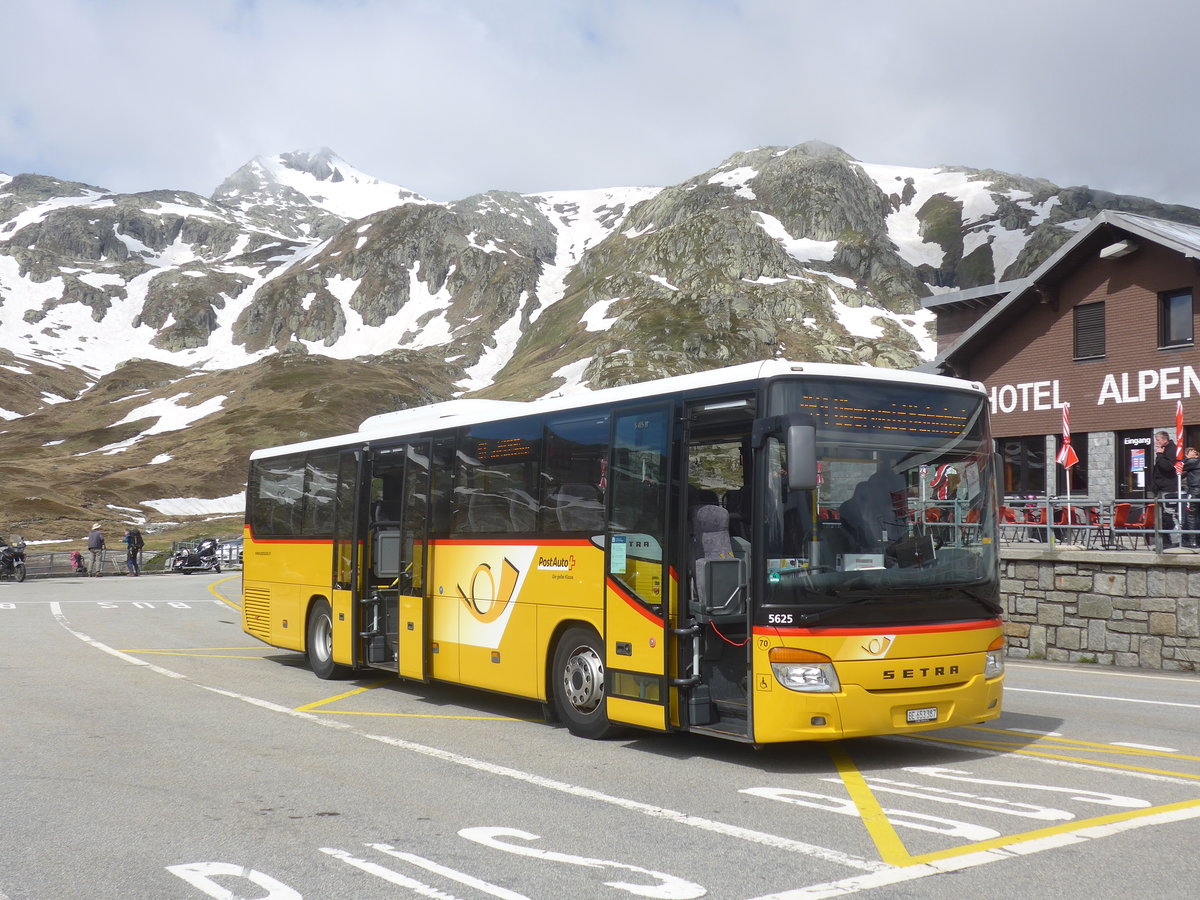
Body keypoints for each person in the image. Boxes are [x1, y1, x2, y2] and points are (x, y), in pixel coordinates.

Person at [1151, 431, 1179, 547]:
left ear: (1165, 440)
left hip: (1168, 489)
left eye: (1158, 440)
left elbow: (1168, 467)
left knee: (1169, 515)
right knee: (1162, 517)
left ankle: (1175, 540)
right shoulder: (1164, 451)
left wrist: (1159, 455)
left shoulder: (1171, 450)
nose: (1156, 442)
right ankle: (1165, 542)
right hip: (1161, 489)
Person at [1182, 447, 1200, 548]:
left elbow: (1179, 467)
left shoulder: (1192, 462)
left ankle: (1192, 541)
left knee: (1191, 515)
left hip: (1194, 491)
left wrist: (1187, 458)